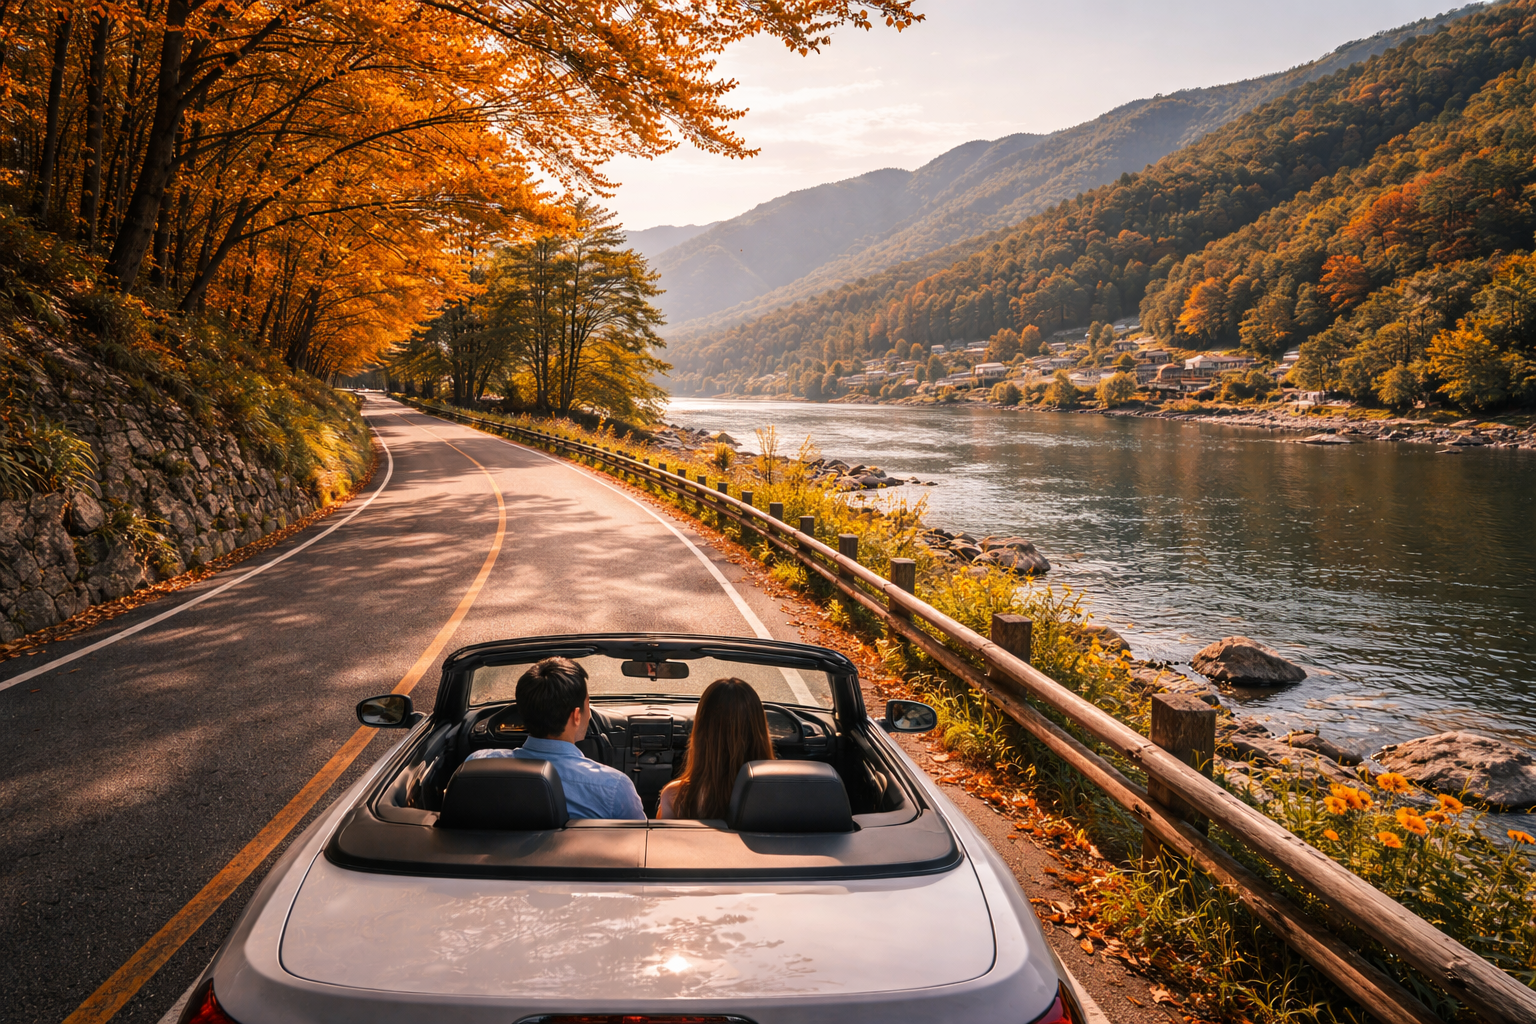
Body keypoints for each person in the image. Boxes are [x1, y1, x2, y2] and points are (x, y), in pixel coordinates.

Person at [466, 657, 644, 820]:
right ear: (576, 715)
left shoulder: (476, 765)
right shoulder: (614, 788)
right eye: (587, 704)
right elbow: (640, 845)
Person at [657, 677, 774, 820]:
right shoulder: (782, 795)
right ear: (759, 731)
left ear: (700, 733)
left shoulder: (675, 798)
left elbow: (661, 842)